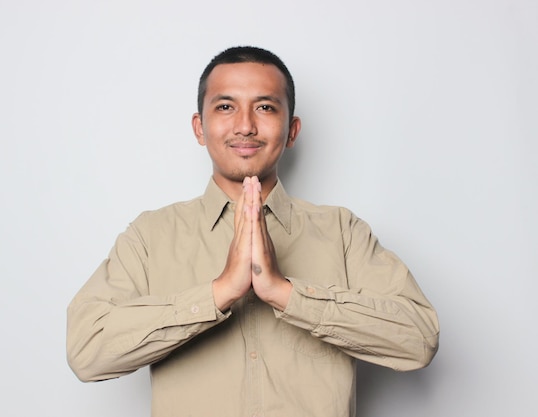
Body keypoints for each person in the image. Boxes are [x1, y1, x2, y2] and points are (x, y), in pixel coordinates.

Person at [67, 46, 439, 417]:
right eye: (226, 107)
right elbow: (86, 350)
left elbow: (419, 339)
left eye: (265, 107)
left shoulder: (342, 231)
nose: (245, 125)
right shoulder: (150, 236)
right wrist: (218, 293)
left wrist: (286, 294)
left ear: (292, 130)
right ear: (200, 127)